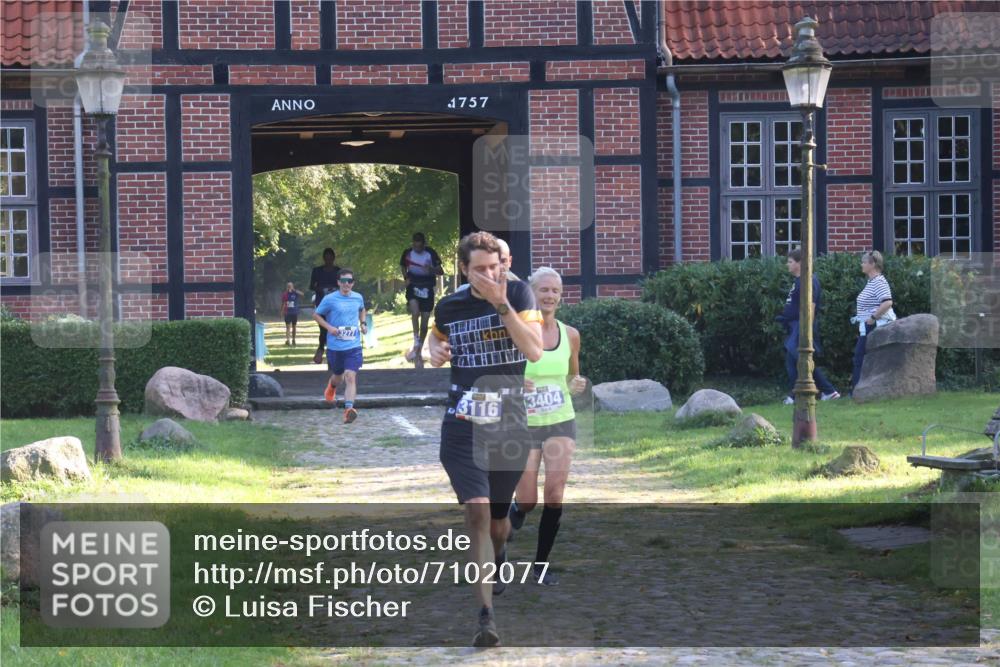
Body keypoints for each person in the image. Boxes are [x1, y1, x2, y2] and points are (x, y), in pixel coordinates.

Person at [428, 231, 543, 647]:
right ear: (463, 269)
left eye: (495, 267)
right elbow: (435, 338)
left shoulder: (520, 295)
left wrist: (501, 304)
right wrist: (432, 350)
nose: (489, 274)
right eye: (480, 269)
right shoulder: (450, 305)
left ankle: (499, 551)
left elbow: (533, 351)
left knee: (497, 523)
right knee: (476, 513)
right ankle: (485, 617)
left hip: (510, 424)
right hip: (462, 424)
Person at [507, 267, 586, 586]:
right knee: (528, 500)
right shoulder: (517, 331)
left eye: (555, 291)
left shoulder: (570, 335)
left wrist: (575, 384)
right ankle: (508, 525)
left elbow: (572, 376)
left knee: (555, 495)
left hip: (560, 421)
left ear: (561, 296)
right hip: (524, 423)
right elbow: (502, 371)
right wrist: (515, 382)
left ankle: (540, 567)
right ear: (532, 293)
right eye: (543, 290)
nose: (550, 296)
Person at [775, 249, 840, 404]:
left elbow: (810, 306)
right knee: (794, 361)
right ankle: (803, 393)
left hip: (801, 326)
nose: (787, 265)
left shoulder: (809, 281)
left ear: (800, 263)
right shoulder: (799, 281)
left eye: (790, 262)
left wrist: (806, 329)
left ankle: (825, 391)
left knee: (801, 360)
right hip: (794, 325)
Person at [313, 268, 367, 424]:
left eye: (349, 281)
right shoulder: (330, 299)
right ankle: (331, 386)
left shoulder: (358, 297)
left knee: (350, 376)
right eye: (343, 281)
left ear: (353, 283)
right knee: (338, 377)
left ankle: (348, 409)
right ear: (338, 283)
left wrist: (363, 323)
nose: (346, 284)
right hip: (335, 347)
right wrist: (329, 328)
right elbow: (316, 315)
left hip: (353, 345)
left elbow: (362, 309)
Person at [851, 250, 896, 393]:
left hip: (876, 326)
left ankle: (857, 391)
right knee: (860, 358)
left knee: (860, 357)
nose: (861, 264)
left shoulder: (879, 282)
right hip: (868, 326)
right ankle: (858, 390)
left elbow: (887, 302)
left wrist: (873, 318)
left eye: (864, 262)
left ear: (873, 264)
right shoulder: (871, 282)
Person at [401, 232, 444, 369]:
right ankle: (415, 340)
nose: (417, 249)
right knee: (415, 312)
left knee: (425, 321)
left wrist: (431, 269)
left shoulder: (430, 253)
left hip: (427, 287)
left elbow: (440, 271)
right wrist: (405, 278)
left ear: (424, 245)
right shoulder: (407, 253)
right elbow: (403, 266)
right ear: (412, 244)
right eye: (415, 246)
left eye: (419, 247)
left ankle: (419, 348)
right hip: (413, 285)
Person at [309, 248, 342, 364]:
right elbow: (312, 286)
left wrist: (334, 289)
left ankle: (333, 351)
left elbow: (343, 285)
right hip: (321, 302)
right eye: (326, 258)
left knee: (335, 326)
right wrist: (322, 289)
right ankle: (321, 349)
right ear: (324, 258)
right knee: (323, 327)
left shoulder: (338, 271)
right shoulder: (317, 271)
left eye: (330, 258)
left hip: (336, 304)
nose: (328, 261)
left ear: (333, 258)